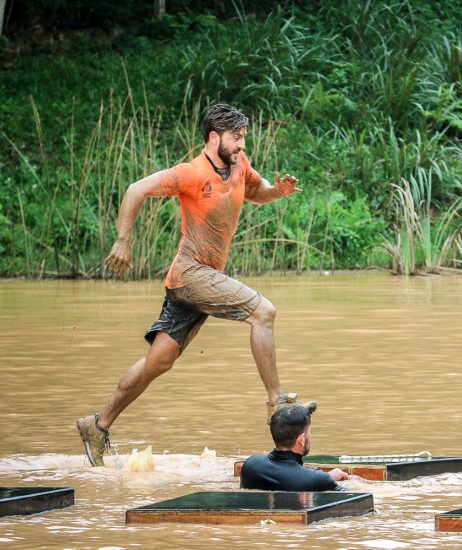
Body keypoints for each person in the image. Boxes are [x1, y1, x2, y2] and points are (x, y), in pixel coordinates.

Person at [76, 103, 313, 467]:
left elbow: (257, 191)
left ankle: (97, 424)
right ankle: (276, 399)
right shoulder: (191, 173)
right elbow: (136, 189)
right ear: (214, 137)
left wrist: (277, 191)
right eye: (236, 137)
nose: (242, 144)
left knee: (158, 362)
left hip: (195, 282)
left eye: (244, 137)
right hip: (191, 274)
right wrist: (123, 240)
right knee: (263, 313)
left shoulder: (239, 164)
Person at [241, 404, 360, 491]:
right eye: (310, 432)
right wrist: (354, 483)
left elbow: (288, 475)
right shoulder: (317, 480)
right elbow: (353, 497)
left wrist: (326, 476)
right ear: (301, 440)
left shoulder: (251, 465)